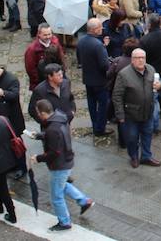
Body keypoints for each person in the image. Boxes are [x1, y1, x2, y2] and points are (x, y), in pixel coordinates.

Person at [30, 99, 94, 231]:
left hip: (59, 166)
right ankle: (84, 201)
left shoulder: (52, 128)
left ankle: (64, 222)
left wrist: (38, 158)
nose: (37, 115)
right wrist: (40, 136)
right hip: (67, 160)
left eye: (38, 113)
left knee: (56, 196)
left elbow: (54, 152)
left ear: (42, 113)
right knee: (63, 185)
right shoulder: (59, 118)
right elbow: (55, 137)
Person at [112, 48, 161, 168]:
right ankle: (133, 156)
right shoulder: (124, 74)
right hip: (131, 114)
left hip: (147, 111)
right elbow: (117, 95)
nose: (140, 60)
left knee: (147, 135)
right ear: (132, 60)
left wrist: (160, 85)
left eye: (142, 57)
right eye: (137, 58)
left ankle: (146, 156)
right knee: (132, 138)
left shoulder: (151, 69)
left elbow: (159, 83)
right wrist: (120, 115)